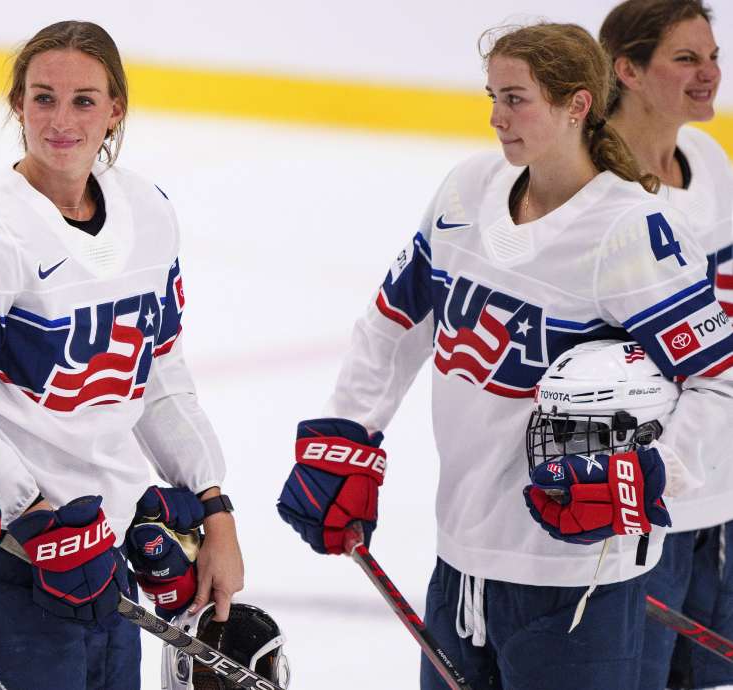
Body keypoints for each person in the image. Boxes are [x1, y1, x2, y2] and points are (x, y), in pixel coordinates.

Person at [275, 22, 733, 690]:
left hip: (578, 582)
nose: (496, 118)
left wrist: (651, 474)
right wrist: (350, 427)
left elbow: (718, 378)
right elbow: (395, 320)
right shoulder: (466, 191)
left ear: (577, 105)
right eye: (492, 96)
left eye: (515, 99)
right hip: (459, 561)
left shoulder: (627, 230)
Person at [0, 20, 245, 690]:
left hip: (107, 558)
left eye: (84, 100)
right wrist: (36, 519)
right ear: (17, 105)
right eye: (43, 98)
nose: (61, 121)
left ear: (116, 109)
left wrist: (215, 506)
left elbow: (158, 371)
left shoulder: (148, 212)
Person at [600, 3, 733, 688]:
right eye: (686, 59)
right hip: (642, 511)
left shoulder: (708, 159)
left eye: (712, 55)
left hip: (722, 501)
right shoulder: (593, 190)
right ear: (627, 69)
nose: (711, 73)